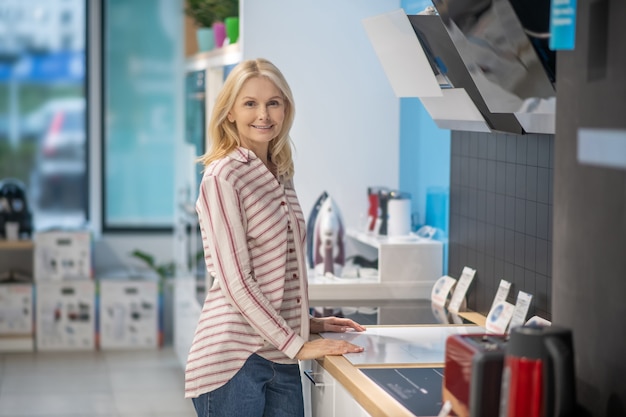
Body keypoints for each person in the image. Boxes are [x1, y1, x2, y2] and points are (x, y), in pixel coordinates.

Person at [184, 58, 366, 417]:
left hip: (279, 353)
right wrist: (297, 344)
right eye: (250, 103)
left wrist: (307, 323)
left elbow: (279, 271)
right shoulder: (222, 177)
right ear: (230, 112)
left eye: (273, 102)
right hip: (233, 360)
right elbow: (236, 282)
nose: (263, 114)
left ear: (286, 108)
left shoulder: (280, 171)